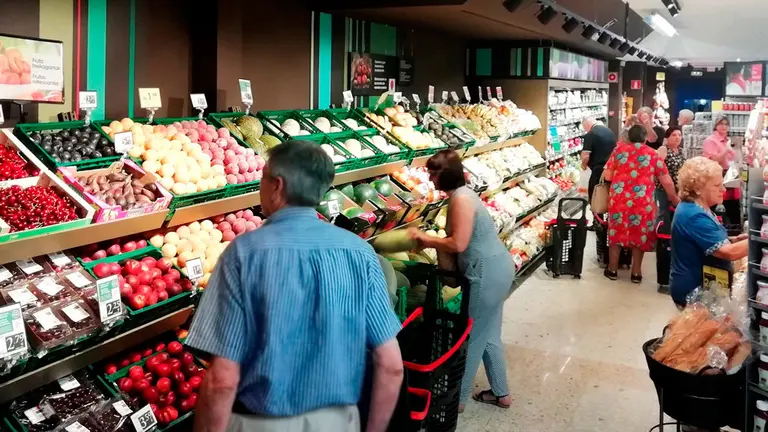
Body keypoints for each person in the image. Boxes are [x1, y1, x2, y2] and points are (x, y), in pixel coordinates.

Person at [187, 140, 404, 432]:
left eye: (262, 178)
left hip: (259, 424)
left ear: (277, 185)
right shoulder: (360, 253)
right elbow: (391, 365)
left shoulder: (244, 254)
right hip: (337, 422)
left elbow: (222, 379)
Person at [408, 149, 514, 412]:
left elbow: (459, 243)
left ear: (445, 174)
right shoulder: (463, 196)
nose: (431, 179)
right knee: (489, 335)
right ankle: (502, 393)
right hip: (498, 268)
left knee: (473, 336)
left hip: (486, 272)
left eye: (433, 173)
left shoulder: (461, 200)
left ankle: (458, 399)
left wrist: (425, 239)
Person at [602, 125, 679, 283]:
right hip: (643, 203)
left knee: (616, 234)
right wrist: (674, 198)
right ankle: (636, 272)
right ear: (645, 138)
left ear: (629, 137)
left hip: (619, 200)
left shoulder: (619, 151)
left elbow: (608, 176)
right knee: (640, 235)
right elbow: (666, 180)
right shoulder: (653, 154)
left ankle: (612, 269)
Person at [670, 157, 748, 307]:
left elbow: (705, 243)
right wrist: (759, 240)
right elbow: (728, 253)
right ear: (698, 188)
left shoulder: (697, 208)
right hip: (695, 293)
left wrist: (733, 240)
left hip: (701, 288)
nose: (723, 190)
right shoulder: (694, 215)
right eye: (717, 185)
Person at [702, 115, 740, 228]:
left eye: (726, 124)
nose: (724, 126)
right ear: (716, 126)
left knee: (732, 205)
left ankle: (735, 227)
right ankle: (708, 226)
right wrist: (726, 150)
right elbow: (712, 159)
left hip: (731, 175)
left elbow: (734, 158)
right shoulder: (711, 140)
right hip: (716, 175)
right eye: (721, 124)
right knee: (713, 202)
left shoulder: (729, 140)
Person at [580, 117, 617, 203]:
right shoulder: (609, 131)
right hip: (611, 168)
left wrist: (583, 166)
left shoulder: (591, 134)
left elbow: (585, 156)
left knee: (595, 195)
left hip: (598, 170)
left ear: (586, 125)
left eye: (585, 128)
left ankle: (597, 215)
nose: (586, 130)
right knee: (608, 193)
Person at [655, 126, 686, 223]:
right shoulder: (663, 149)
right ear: (667, 138)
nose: (677, 137)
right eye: (674, 135)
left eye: (679, 135)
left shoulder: (681, 151)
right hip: (663, 188)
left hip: (678, 188)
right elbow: (657, 168)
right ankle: (658, 234)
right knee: (662, 214)